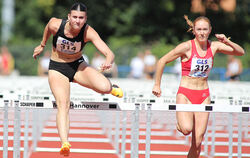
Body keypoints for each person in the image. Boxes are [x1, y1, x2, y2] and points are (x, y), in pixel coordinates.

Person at [33, 2, 123, 156]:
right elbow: (48, 27)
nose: (77, 21)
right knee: (63, 104)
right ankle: (65, 142)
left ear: (85, 19)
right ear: (69, 17)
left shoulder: (88, 32)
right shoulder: (56, 25)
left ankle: (110, 87)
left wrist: (109, 61)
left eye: (81, 18)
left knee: (104, 87)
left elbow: (109, 53)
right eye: (74, 17)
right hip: (57, 68)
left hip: (78, 66)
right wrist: (42, 45)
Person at [152, 15, 245, 158]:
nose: (202, 32)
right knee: (186, 129)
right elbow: (162, 61)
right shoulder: (186, 47)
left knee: (198, 141)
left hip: (203, 95)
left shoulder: (214, 46)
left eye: (205, 29)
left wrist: (226, 41)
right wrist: (157, 84)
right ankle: (180, 124)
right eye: (199, 29)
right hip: (185, 93)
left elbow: (240, 52)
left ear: (210, 31)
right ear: (193, 30)